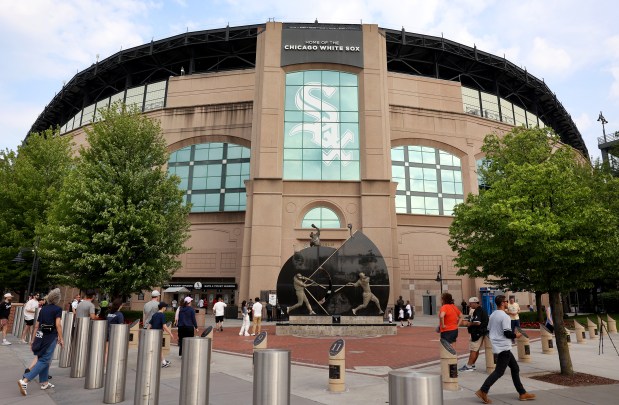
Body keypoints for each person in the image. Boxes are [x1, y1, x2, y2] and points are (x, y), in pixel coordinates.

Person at [475, 295, 535, 403]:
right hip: (504, 347)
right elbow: (507, 333)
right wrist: (516, 335)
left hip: (498, 346)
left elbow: (489, 329)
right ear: (502, 303)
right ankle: (483, 390)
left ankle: (522, 393)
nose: (507, 302)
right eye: (506, 301)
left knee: (515, 368)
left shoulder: (493, 315)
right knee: (499, 372)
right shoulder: (505, 316)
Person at [18, 288, 64, 396]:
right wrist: (61, 338)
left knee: (44, 358)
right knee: (44, 360)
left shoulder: (43, 308)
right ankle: (25, 381)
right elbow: (58, 325)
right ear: (58, 299)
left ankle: (44, 382)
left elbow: (37, 325)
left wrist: (33, 340)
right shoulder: (57, 309)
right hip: (50, 336)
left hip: (41, 336)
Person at [459, 296, 489, 372]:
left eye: (471, 303)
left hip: (477, 333)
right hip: (481, 332)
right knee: (476, 349)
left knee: (473, 350)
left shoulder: (478, 311)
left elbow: (477, 322)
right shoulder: (482, 310)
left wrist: (469, 324)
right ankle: (472, 364)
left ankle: (469, 365)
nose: (470, 305)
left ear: (475, 303)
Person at [149, 302, 175, 367]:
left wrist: (147, 333)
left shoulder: (154, 315)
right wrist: (170, 333)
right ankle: (164, 362)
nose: (166, 308)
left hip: (153, 333)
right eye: (165, 307)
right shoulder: (162, 315)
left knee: (156, 348)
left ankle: (163, 361)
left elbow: (149, 325)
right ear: (163, 308)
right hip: (159, 333)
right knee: (159, 348)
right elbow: (164, 326)